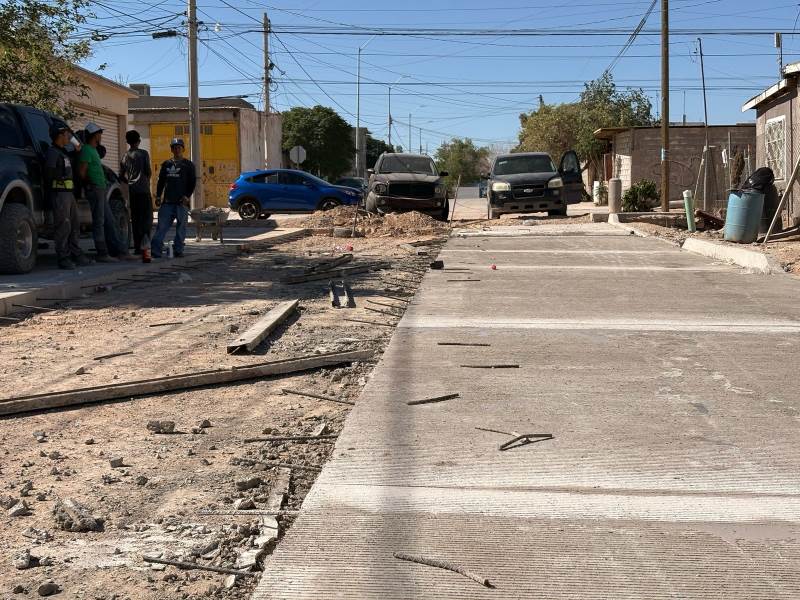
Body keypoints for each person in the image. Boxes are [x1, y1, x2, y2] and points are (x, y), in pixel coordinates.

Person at [78, 122, 130, 262]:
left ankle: (120, 251)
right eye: (99, 133)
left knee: (110, 221)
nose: (101, 135)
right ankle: (102, 253)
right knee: (99, 222)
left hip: (101, 189)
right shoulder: (87, 150)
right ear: (94, 135)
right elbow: (82, 172)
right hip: (95, 189)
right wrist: (91, 183)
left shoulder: (94, 150)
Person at [44, 122, 92, 270]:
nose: (68, 137)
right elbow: (49, 174)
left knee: (74, 226)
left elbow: (78, 148)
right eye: (66, 134)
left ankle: (76, 253)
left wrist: (75, 144)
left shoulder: (63, 152)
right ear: (59, 135)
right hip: (60, 195)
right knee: (63, 227)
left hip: (69, 194)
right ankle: (63, 257)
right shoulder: (53, 152)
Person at [151, 138, 196, 258]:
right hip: (167, 202)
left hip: (181, 203)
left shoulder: (188, 165)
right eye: (174, 147)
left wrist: (187, 196)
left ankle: (178, 250)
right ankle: (156, 250)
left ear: (183, 149)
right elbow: (161, 182)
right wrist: (158, 196)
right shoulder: (166, 164)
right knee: (161, 227)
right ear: (171, 149)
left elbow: (192, 182)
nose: (177, 149)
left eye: (179, 147)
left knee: (181, 228)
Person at [119, 130, 153, 254]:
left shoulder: (125, 156)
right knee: (146, 220)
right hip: (144, 191)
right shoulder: (143, 154)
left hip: (133, 192)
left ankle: (138, 248)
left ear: (128, 142)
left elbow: (121, 175)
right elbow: (148, 172)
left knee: (136, 220)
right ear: (138, 140)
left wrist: (129, 182)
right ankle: (146, 249)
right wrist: (145, 181)